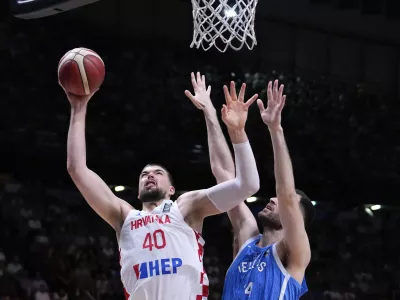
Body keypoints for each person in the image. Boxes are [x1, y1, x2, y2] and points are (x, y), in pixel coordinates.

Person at [63, 72, 259, 300]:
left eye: (158, 173)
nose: (150, 176)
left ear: (172, 189)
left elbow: (247, 185)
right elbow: (76, 169)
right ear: (137, 191)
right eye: (144, 174)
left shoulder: (186, 207)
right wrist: (78, 107)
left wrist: (230, 127)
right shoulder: (124, 216)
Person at [201, 79, 314, 299]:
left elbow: (287, 196)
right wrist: (214, 115)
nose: (273, 199)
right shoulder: (247, 235)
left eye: (282, 202)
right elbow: (223, 174)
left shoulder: (293, 254)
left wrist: (275, 129)